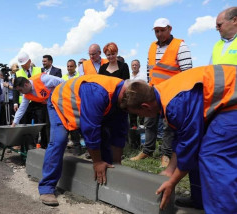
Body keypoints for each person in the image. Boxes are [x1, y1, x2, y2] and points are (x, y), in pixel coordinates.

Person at [121, 64, 237, 213]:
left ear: (145, 107)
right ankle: (200, 199)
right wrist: (170, 171)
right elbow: (183, 140)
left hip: (232, 102)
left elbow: (190, 145)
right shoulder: (163, 93)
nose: (141, 118)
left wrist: (173, 181)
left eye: (139, 114)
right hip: (228, 98)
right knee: (198, 150)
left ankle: (223, 210)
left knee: (213, 155)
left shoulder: (175, 104)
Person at [38, 75, 129, 206]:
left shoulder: (123, 98)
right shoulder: (98, 93)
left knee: (104, 135)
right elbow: (90, 130)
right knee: (59, 141)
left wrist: (116, 164)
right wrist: (97, 162)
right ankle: (47, 187)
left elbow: (119, 133)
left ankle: (106, 182)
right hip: (60, 102)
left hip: (80, 106)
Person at [131, 18, 192, 169]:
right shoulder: (152, 46)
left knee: (168, 125)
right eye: (157, 31)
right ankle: (148, 150)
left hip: (172, 93)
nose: (159, 34)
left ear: (169, 29)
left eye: (162, 30)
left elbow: (188, 73)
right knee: (149, 122)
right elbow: (149, 70)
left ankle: (166, 154)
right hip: (154, 91)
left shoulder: (180, 46)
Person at [14, 52, 48, 148]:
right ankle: (27, 145)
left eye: (24, 63)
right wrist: (15, 103)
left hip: (39, 102)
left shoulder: (39, 70)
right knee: (25, 125)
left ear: (29, 61)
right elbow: (15, 89)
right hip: (25, 101)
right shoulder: (18, 73)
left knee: (41, 124)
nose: (23, 66)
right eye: (21, 64)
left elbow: (45, 85)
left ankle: (43, 145)